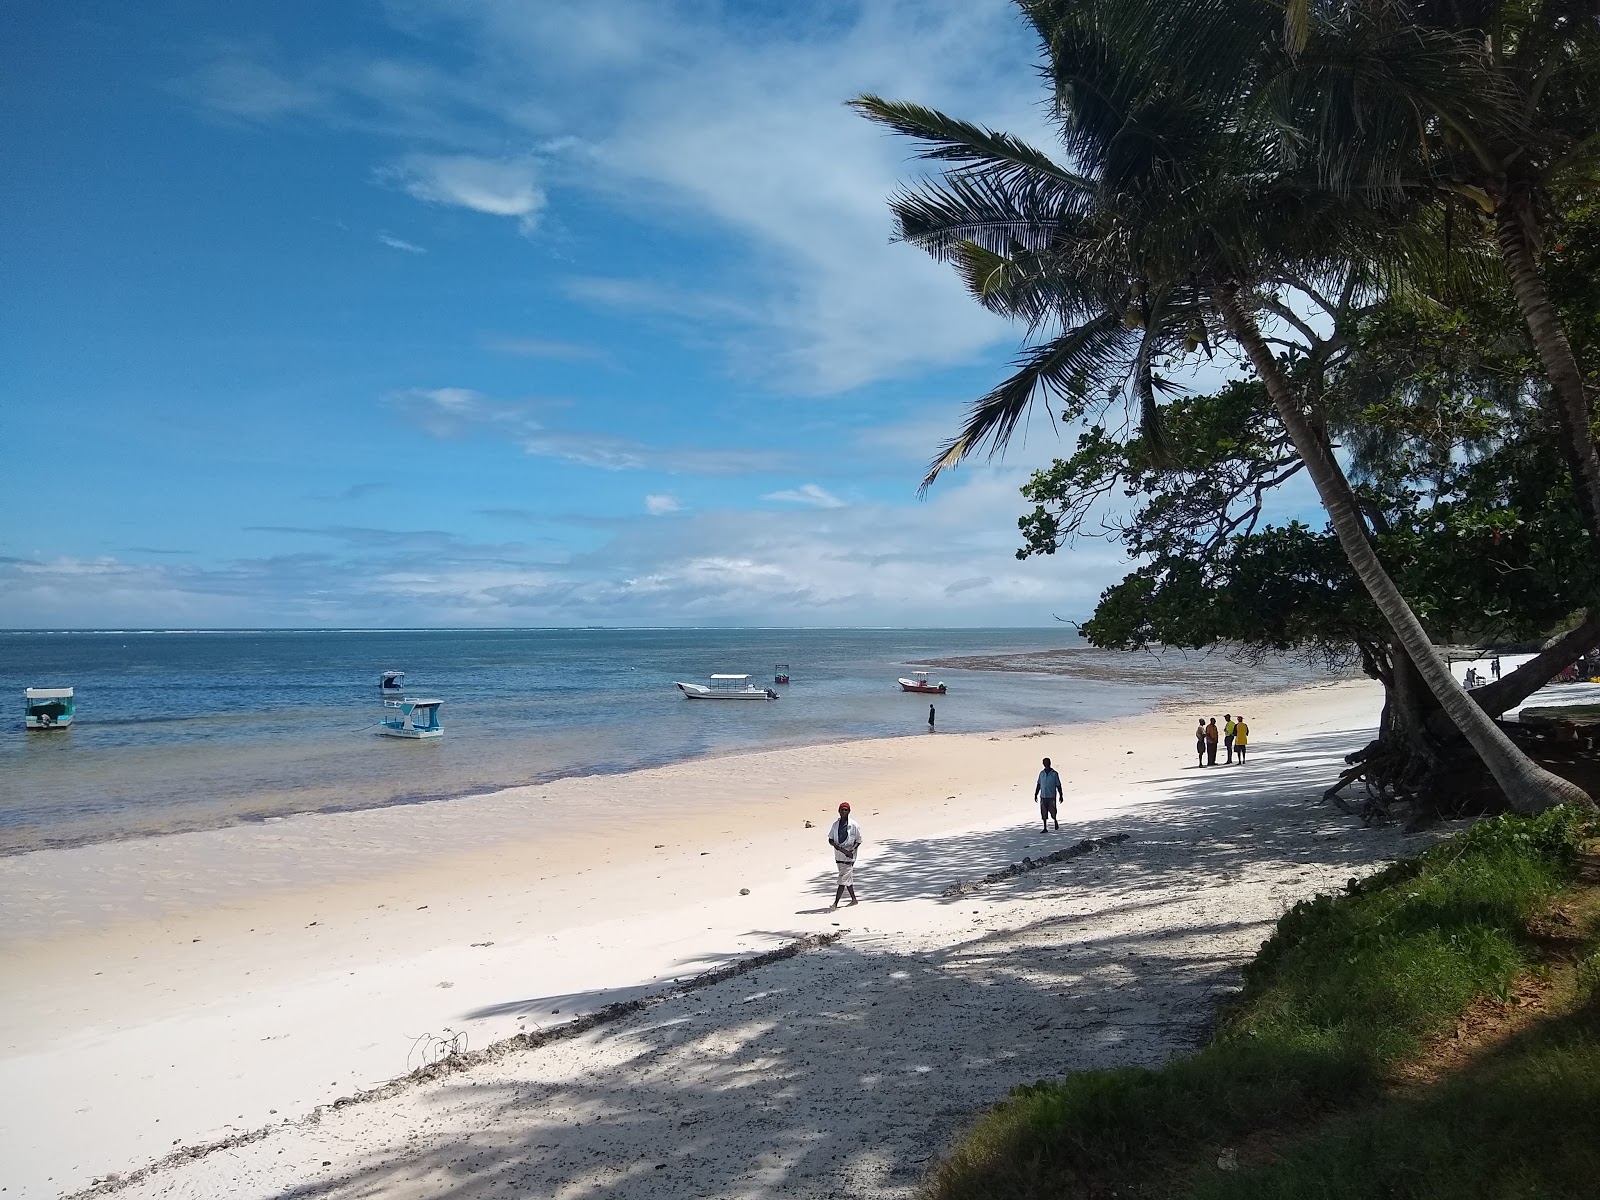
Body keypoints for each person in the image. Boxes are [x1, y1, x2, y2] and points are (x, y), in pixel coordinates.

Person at [828, 801, 862, 908]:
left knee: (842, 880)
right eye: (842, 810)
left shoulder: (854, 825)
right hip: (838, 857)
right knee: (847, 879)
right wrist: (837, 846)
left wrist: (852, 850)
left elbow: (859, 840)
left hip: (849, 858)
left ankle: (835, 904)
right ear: (838, 811)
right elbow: (830, 839)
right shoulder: (835, 825)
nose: (844, 811)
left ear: (849, 811)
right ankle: (854, 900)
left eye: (846, 810)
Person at [1035, 756, 1063, 831]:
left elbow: (1058, 785)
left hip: (1051, 796)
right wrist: (1036, 794)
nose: (1046, 764)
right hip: (1043, 796)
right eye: (1045, 763)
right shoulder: (1041, 773)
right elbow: (1039, 784)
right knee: (1043, 812)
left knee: (1053, 811)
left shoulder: (1054, 774)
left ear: (1050, 763)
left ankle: (1055, 820)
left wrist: (1061, 795)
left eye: (1047, 763)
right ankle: (1045, 827)